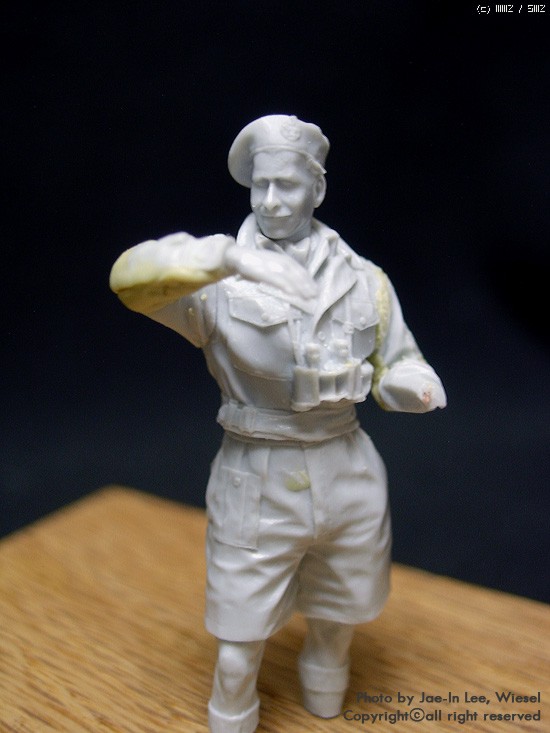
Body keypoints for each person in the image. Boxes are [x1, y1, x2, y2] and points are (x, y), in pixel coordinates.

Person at [110, 114, 446, 733]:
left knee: (339, 614)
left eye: (285, 185)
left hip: (346, 465)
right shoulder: (216, 279)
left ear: (317, 188)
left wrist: (410, 385)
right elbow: (130, 281)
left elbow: (399, 358)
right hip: (258, 471)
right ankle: (233, 716)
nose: (269, 201)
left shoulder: (364, 279)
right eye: (259, 185)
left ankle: (326, 688)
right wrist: (224, 258)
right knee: (238, 639)